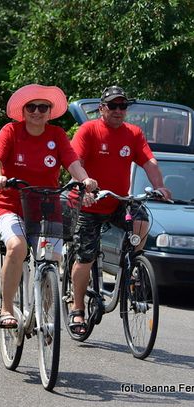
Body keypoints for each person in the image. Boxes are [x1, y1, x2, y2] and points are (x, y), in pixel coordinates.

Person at [0, 84, 97, 329]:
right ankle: (6, 308)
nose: (37, 111)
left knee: (51, 260)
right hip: (11, 205)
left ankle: (44, 318)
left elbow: (73, 164)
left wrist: (84, 180)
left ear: (49, 111)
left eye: (43, 107)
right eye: (31, 107)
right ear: (23, 111)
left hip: (46, 208)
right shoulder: (11, 131)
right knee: (17, 247)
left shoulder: (56, 135)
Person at [68, 85, 171, 335]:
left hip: (117, 201)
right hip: (89, 203)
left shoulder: (133, 133)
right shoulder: (89, 130)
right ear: (102, 108)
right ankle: (77, 307)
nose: (118, 110)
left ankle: (133, 266)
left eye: (122, 106)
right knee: (86, 256)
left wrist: (160, 186)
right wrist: (85, 189)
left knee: (142, 220)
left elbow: (149, 161)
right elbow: (76, 162)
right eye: (112, 106)